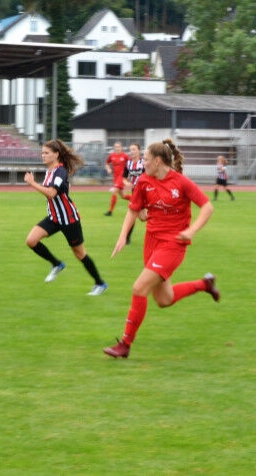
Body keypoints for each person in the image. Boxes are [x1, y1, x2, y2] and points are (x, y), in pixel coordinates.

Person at [103, 138, 219, 359]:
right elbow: (134, 210)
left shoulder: (181, 182)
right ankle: (205, 284)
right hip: (151, 243)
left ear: (157, 161)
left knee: (139, 288)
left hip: (173, 245)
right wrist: (122, 236)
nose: (142, 163)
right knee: (164, 300)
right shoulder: (143, 181)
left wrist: (191, 231)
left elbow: (207, 207)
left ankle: (125, 344)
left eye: (145, 159)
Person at [24, 139, 108, 296]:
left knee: (79, 253)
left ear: (56, 154)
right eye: (42, 153)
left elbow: (51, 193)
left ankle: (100, 284)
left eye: (46, 153)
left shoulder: (60, 171)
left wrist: (32, 183)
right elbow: (61, 188)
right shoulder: (50, 172)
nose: (43, 155)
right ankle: (57, 264)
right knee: (31, 240)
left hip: (69, 219)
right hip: (54, 218)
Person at [121, 143, 146, 245]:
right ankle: (126, 238)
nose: (132, 151)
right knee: (136, 215)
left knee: (141, 217)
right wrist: (127, 183)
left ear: (139, 151)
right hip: (135, 192)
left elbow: (150, 175)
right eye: (130, 149)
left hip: (144, 192)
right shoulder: (128, 163)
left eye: (134, 149)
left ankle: (126, 238)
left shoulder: (144, 162)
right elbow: (123, 177)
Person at [103, 141, 130, 216]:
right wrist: (108, 169)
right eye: (116, 147)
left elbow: (130, 164)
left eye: (118, 147)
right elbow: (107, 163)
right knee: (123, 196)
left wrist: (128, 175)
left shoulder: (125, 156)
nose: (117, 148)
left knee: (114, 191)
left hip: (122, 177)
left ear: (121, 148)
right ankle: (136, 199)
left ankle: (110, 211)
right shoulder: (112, 155)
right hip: (115, 177)